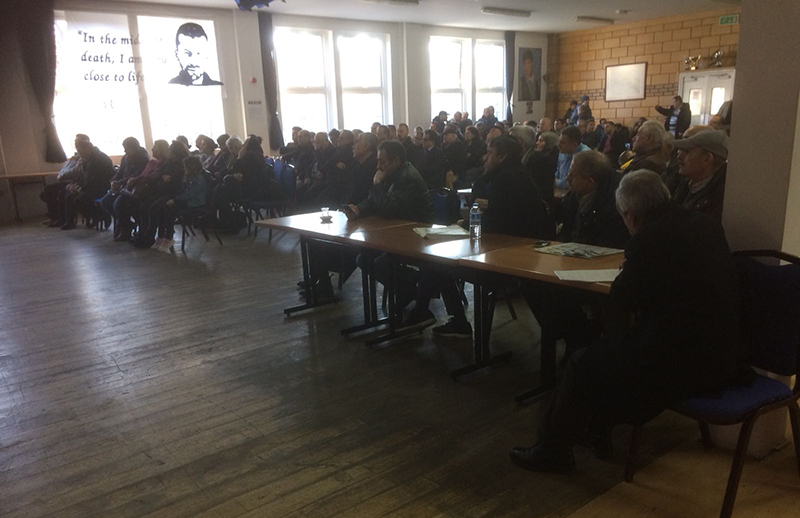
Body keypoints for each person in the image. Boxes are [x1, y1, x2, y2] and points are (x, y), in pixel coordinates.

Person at [510, 170, 749, 474]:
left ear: (630, 215)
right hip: (725, 352)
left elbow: (624, 299)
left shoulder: (649, 239)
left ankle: (552, 450)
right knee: (607, 354)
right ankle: (594, 429)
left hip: (682, 361)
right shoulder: (705, 224)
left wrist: (628, 268)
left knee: (583, 362)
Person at [404, 136, 550, 337]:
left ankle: (441, 317)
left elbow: (496, 222)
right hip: (501, 247)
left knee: (439, 263)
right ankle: (427, 313)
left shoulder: (509, 179)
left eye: (489, 154)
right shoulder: (505, 174)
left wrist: (466, 223)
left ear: (502, 157)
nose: (484, 158)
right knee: (438, 262)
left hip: (509, 256)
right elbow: (483, 200)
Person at [556, 151, 630, 249]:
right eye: (569, 172)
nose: (567, 178)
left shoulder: (614, 206)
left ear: (590, 182)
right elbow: (566, 232)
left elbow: (607, 243)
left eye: (572, 175)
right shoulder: (572, 197)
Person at [148, 155, 209, 251]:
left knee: (169, 209)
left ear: (192, 167)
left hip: (195, 203)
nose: (184, 170)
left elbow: (190, 194)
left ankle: (169, 237)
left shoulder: (199, 179)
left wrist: (175, 200)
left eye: (185, 167)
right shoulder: (190, 177)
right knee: (160, 207)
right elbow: (182, 191)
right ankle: (160, 235)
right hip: (186, 200)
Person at [113, 139, 170, 242]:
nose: (152, 150)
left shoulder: (164, 164)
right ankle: (137, 229)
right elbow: (143, 175)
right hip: (140, 188)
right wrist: (115, 181)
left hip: (154, 191)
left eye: (155, 148)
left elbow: (152, 177)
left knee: (136, 205)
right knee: (123, 203)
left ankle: (146, 233)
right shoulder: (152, 162)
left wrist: (135, 180)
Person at [53, 139, 113, 230]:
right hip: (88, 186)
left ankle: (101, 215)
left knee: (79, 200)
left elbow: (97, 179)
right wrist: (75, 185)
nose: (80, 155)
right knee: (68, 195)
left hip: (100, 187)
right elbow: (83, 176)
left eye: (81, 152)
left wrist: (80, 188)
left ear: (88, 149)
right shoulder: (87, 158)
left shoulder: (101, 159)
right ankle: (70, 221)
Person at [672, 129, 729, 221]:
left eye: (687, 151)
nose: (679, 156)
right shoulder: (685, 186)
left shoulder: (723, 196)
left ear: (707, 159)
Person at [99, 137, 150, 227]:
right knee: (105, 202)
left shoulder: (143, 159)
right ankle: (125, 223)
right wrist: (114, 181)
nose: (125, 151)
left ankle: (124, 225)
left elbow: (136, 175)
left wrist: (119, 183)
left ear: (134, 148)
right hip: (121, 186)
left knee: (117, 205)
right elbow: (120, 172)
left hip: (132, 188)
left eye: (126, 148)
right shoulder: (125, 158)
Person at [41, 134, 90, 225]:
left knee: (50, 190)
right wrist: (61, 174)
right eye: (75, 142)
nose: (75, 144)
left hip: (73, 180)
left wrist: (63, 175)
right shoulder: (75, 156)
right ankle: (57, 216)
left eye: (77, 142)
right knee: (45, 194)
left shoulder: (83, 157)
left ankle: (57, 217)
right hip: (66, 178)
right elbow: (65, 168)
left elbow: (76, 171)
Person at [528, 131, 560, 208]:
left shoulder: (545, 160)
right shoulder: (539, 156)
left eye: (541, 141)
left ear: (549, 143)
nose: (537, 143)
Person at [347, 132, 379, 205]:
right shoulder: (357, 166)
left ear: (366, 146)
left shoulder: (374, 167)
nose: (353, 146)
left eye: (357, 142)